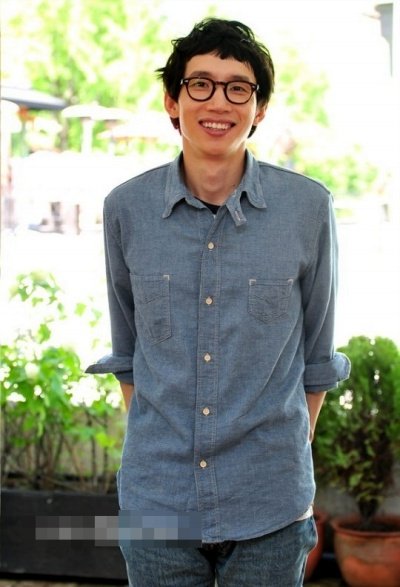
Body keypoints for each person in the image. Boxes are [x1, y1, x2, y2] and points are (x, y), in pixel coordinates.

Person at [86, 17, 350, 587]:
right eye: (200, 84)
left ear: (259, 109)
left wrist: (281, 458)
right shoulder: (126, 209)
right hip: (158, 500)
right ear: (172, 100)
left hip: (269, 503)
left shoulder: (307, 208)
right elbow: (128, 353)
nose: (218, 102)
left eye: (238, 88)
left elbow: (318, 358)